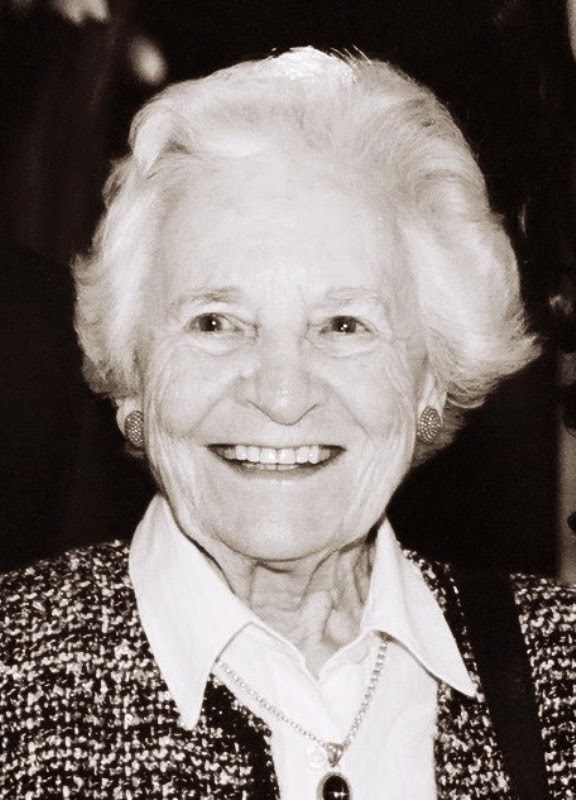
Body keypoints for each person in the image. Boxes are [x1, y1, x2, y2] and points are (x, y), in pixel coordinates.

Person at [0, 48, 573, 799]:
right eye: (215, 322)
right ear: (132, 375)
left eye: (343, 325)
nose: (279, 393)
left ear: (430, 379)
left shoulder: (561, 666)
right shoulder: (13, 672)